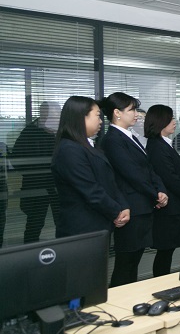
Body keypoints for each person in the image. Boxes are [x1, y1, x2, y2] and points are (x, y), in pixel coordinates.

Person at [99, 92, 168, 287]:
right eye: (132, 110)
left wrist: (160, 189)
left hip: (142, 205)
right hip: (130, 207)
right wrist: (155, 194)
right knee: (126, 263)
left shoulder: (130, 137)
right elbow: (131, 173)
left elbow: (149, 168)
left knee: (134, 261)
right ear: (117, 113)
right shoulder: (112, 139)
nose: (137, 114)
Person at [50, 96, 130, 239]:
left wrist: (123, 206)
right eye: (97, 116)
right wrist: (116, 211)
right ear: (81, 117)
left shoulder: (88, 145)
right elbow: (91, 190)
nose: (101, 121)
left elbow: (109, 181)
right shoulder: (69, 150)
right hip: (82, 229)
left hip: (97, 224)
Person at [145, 105, 180, 277]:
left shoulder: (164, 143)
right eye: (170, 119)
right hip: (168, 207)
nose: (174, 122)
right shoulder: (157, 147)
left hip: (174, 205)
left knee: (167, 250)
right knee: (165, 251)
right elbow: (171, 178)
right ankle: (161, 283)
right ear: (160, 122)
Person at [11, 101, 61, 242]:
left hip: (56, 185)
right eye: (51, 114)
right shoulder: (30, 132)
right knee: (35, 223)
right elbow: (16, 158)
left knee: (61, 221)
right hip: (36, 185)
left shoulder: (60, 132)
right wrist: (34, 173)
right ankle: (30, 250)